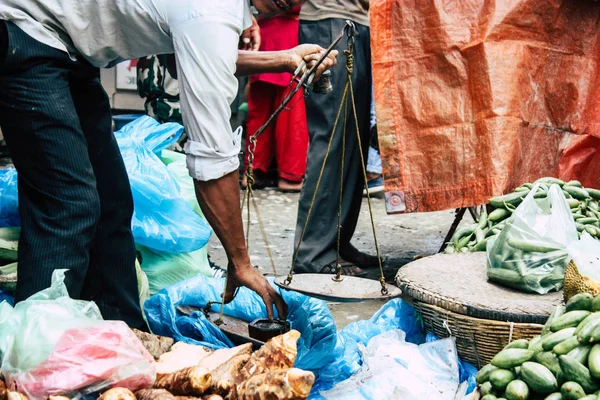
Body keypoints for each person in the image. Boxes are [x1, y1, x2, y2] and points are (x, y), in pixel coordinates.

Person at [0, 0, 336, 327]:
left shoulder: (211, 14)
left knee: (112, 201)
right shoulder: (211, 10)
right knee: (69, 204)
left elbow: (188, 59)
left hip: (68, 49)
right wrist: (240, 262)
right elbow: (211, 158)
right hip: (25, 29)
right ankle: (37, 358)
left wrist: (285, 59)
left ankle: (125, 338)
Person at [294, 0, 376, 277]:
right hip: (331, 20)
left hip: (356, 19)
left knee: (354, 138)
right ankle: (313, 253)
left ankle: (337, 241)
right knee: (332, 136)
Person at [244, 6, 309, 193]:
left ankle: (253, 170)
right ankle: (290, 175)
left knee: (259, 112)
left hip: (263, 36)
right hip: (290, 38)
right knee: (291, 114)